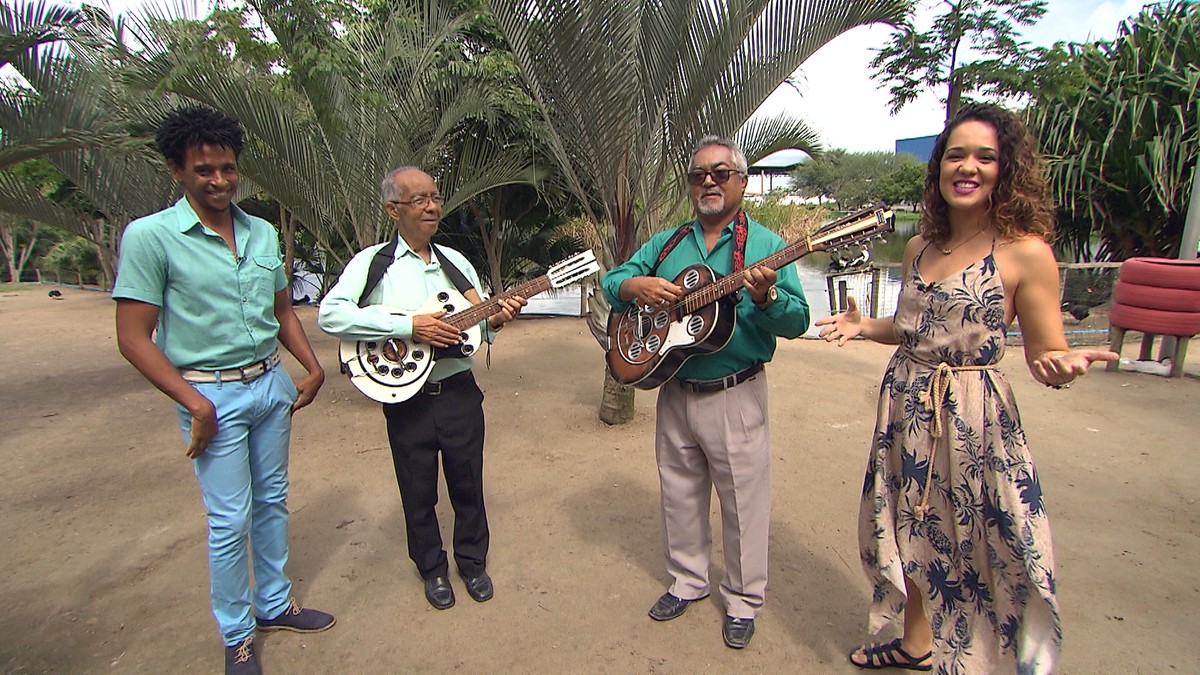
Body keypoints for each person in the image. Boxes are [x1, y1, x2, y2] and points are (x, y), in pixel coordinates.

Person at [816, 103, 1118, 673]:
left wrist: (1060, 364)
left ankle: (988, 659)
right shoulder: (919, 248)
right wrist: (863, 327)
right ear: (939, 167)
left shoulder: (1025, 251)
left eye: (985, 156)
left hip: (974, 418)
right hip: (905, 409)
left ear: (1005, 168)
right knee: (909, 527)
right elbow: (913, 331)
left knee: (982, 540)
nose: (968, 166)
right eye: (956, 154)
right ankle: (915, 643)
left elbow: (1043, 352)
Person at [113, 106, 334, 675]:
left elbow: (281, 308)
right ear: (176, 171)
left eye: (229, 169)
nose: (219, 181)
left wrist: (310, 366)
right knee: (228, 519)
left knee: (271, 503)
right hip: (210, 397)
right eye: (205, 170)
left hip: (270, 387)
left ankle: (275, 603)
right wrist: (193, 403)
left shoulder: (260, 231)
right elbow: (133, 339)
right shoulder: (151, 237)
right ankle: (236, 633)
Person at [601, 135, 810, 649]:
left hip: (734, 394)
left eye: (720, 172)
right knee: (679, 491)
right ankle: (688, 581)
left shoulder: (766, 245)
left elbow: (800, 320)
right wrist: (636, 287)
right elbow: (614, 280)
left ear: (741, 181)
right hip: (675, 386)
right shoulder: (668, 244)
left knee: (743, 502)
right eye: (699, 175)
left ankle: (742, 600)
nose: (709, 181)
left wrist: (767, 295)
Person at [318, 166, 525, 610]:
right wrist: (408, 324)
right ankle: (432, 569)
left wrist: (497, 319)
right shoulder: (373, 264)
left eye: (435, 197)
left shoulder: (456, 262)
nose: (432, 206)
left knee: (468, 484)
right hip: (407, 400)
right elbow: (330, 314)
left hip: (459, 392)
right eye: (420, 200)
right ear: (394, 210)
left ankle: (472, 563)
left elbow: (479, 325)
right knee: (417, 490)